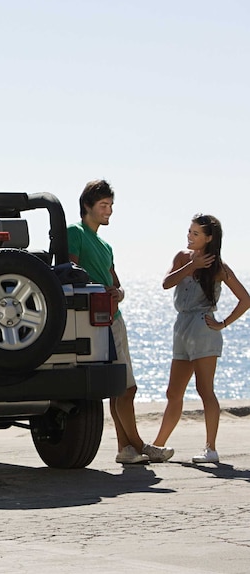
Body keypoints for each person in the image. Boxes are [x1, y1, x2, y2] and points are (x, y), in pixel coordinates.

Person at [67, 180, 170, 464]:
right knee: (123, 387)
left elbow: (117, 284)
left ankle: (126, 449)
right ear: (87, 206)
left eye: (111, 206)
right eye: (103, 206)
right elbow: (70, 273)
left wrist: (119, 292)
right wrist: (101, 291)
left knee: (123, 387)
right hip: (95, 321)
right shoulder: (74, 232)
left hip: (116, 319)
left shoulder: (106, 245)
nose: (109, 211)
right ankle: (140, 445)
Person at [151, 214, 249, 463]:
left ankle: (210, 449)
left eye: (196, 233)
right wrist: (191, 266)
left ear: (209, 238)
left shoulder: (218, 267)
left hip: (203, 329)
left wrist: (222, 323)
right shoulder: (182, 258)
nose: (190, 236)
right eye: (189, 231)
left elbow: (245, 299)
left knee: (205, 389)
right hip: (181, 327)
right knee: (173, 392)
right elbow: (166, 283)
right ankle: (158, 446)